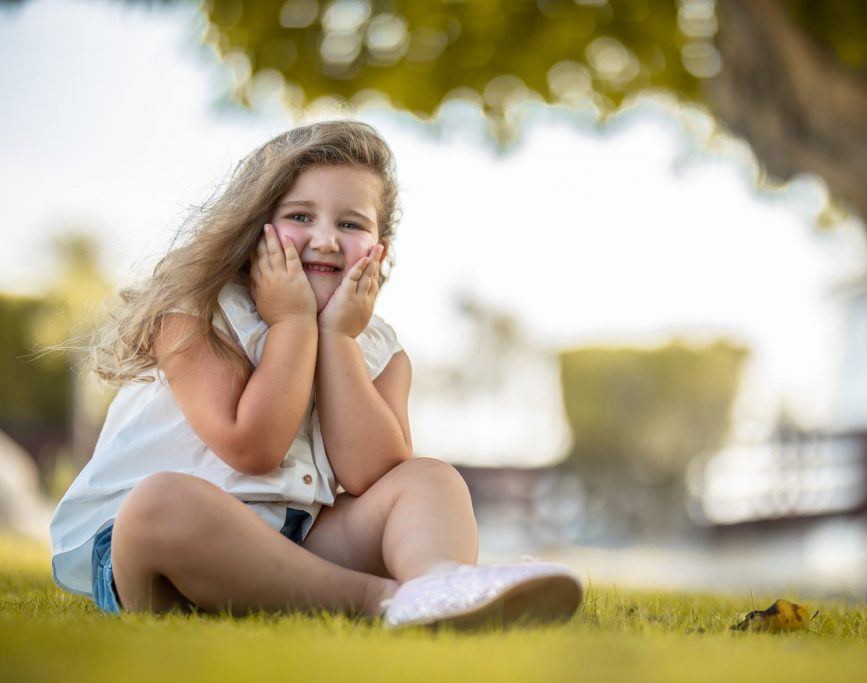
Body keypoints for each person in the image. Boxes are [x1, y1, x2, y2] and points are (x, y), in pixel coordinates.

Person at [49, 121, 582, 628]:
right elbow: (252, 447)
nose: (325, 239)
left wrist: (336, 340)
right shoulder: (195, 314)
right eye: (300, 216)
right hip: (162, 551)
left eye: (350, 224)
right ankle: (387, 599)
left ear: (378, 252)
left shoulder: (379, 350)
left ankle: (438, 584)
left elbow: (374, 476)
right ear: (252, 225)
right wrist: (294, 322)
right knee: (158, 503)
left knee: (430, 478)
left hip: (297, 545)